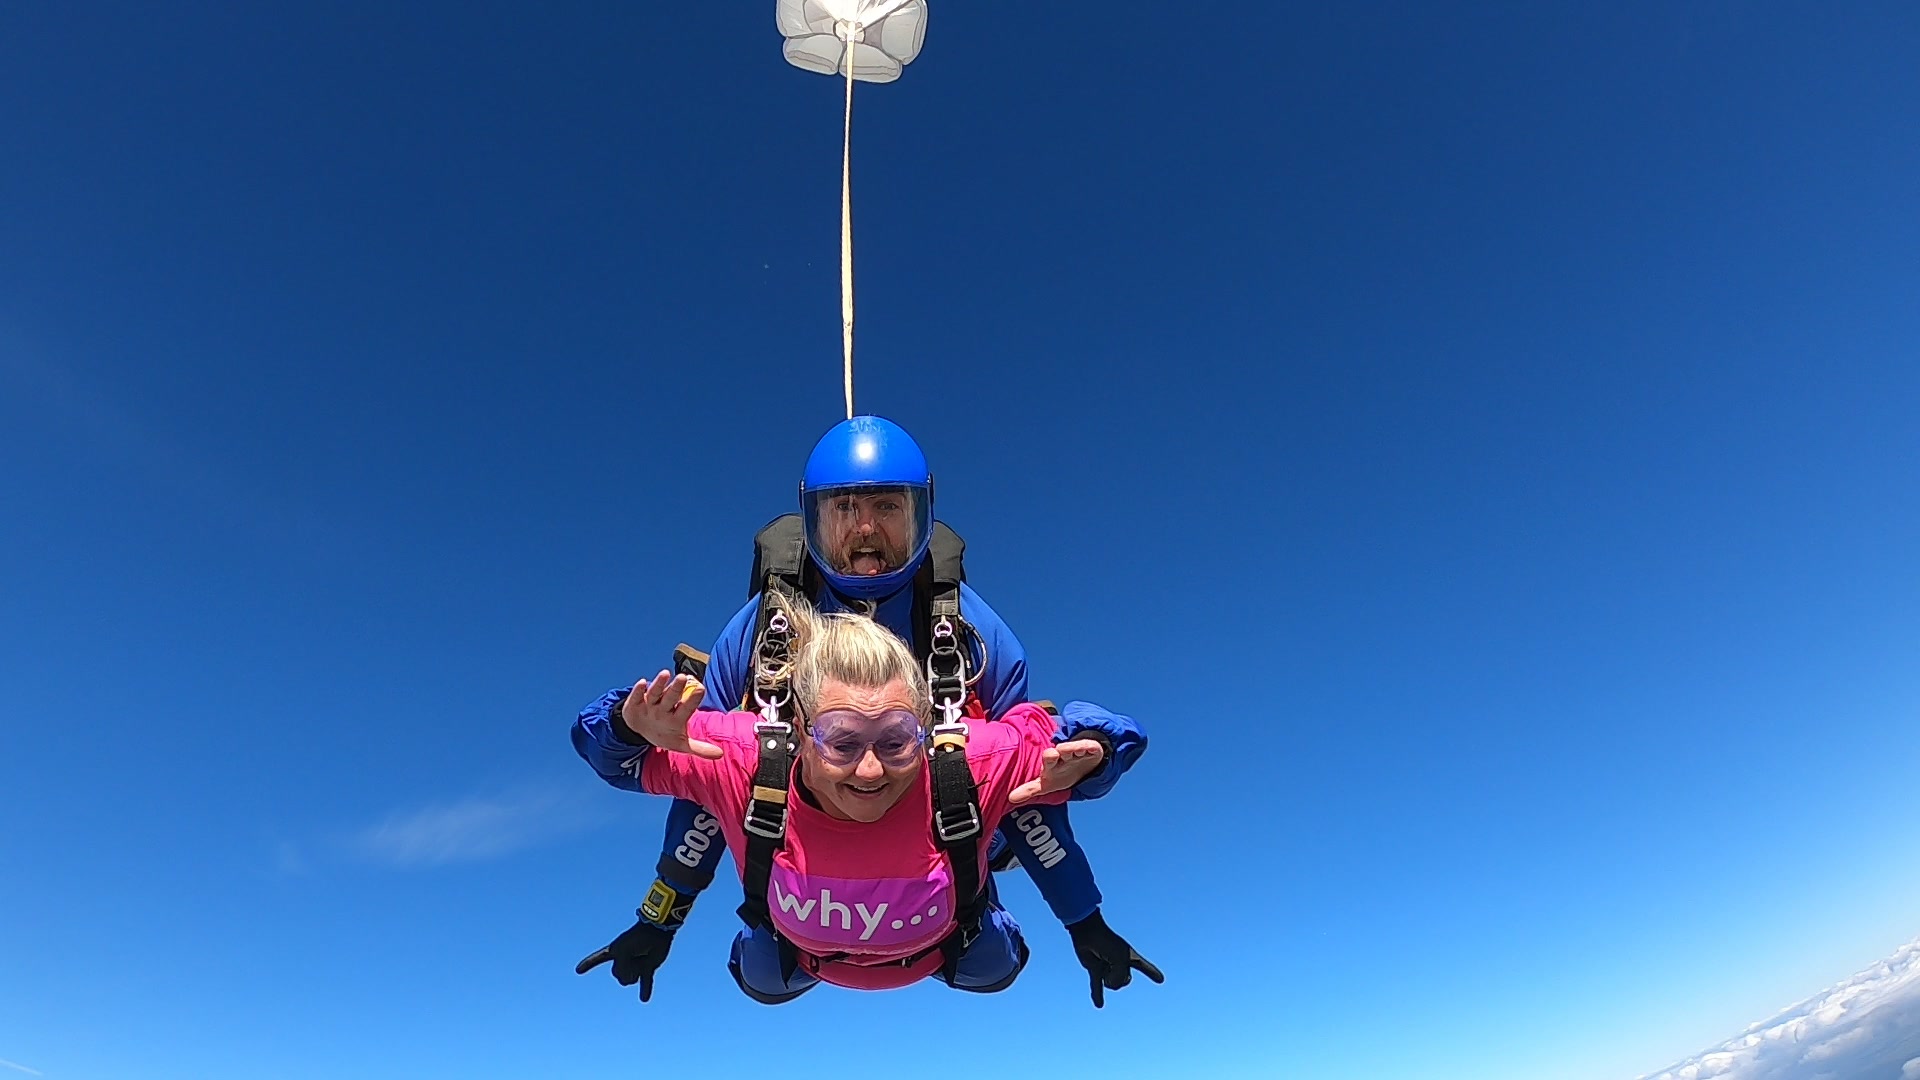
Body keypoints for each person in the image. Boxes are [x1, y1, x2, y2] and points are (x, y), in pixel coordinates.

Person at [577, 415, 1160, 1006]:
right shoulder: (755, 638)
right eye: (844, 508)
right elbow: (710, 780)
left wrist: (1084, 920)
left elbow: (1031, 785)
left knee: (989, 963)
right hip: (799, 877)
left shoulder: (978, 642)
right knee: (765, 974)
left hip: (942, 842)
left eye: (887, 507)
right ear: (813, 520)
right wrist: (660, 919)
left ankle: (963, 892)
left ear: (921, 516)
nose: (865, 529)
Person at [573, 601, 1121, 998]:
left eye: (896, 738)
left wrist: (1094, 748)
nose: (869, 768)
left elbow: (1108, 736)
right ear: (798, 729)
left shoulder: (968, 758)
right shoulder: (740, 755)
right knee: (762, 979)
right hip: (799, 955)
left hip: (948, 943)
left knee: (995, 969)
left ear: (927, 732)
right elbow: (609, 758)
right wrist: (628, 722)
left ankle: (986, 842)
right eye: (841, 740)